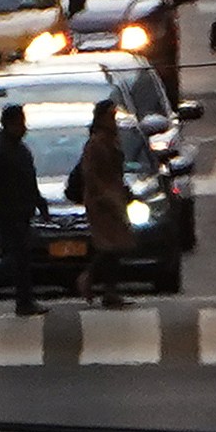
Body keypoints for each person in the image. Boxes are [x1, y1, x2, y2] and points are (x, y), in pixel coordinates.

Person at [0, 103, 47, 317]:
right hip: (9, 211)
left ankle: (23, 299)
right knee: (17, 257)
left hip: (21, 209)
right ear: (9, 124)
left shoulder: (19, 148)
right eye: (20, 123)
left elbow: (29, 179)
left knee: (21, 257)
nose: (24, 127)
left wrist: (39, 202)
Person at [80, 99, 131, 309]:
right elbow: (90, 173)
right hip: (102, 200)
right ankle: (91, 279)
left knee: (117, 244)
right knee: (109, 244)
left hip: (114, 195)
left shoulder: (112, 140)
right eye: (110, 116)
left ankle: (108, 288)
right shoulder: (96, 143)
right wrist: (102, 194)